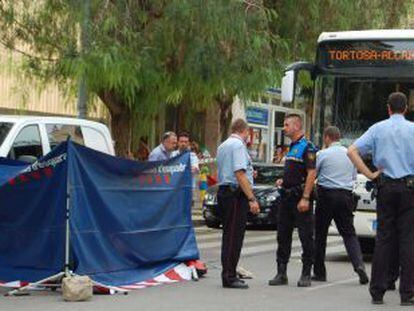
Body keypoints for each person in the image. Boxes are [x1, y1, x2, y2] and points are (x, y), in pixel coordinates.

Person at [348, 92, 414, 305]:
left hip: (385, 187)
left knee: (384, 239)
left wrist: (369, 174)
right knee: (408, 240)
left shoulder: (377, 129)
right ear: (405, 109)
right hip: (409, 189)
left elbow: (351, 151)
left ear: (388, 108)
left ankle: (378, 291)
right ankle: (407, 293)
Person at [313, 126, 368, 284]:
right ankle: (359, 266)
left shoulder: (322, 154)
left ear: (327, 138)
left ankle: (319, 272)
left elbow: (314, 174)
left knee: (320, 234)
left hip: (326, 196)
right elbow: (353, 177)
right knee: (349, 234)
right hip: (345, 196)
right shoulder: (350, 154)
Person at [269, 114, 317, 287]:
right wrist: (283, 181)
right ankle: (281, 273)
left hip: (300, 199)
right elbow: (294, 172)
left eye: (287, 124)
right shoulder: (292, 147)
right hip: (286, 198)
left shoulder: (307, 147)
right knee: (283, 236)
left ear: (297, 126)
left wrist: (305, 197)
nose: (284, 127)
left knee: (305, 236)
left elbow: (312, 173)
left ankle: (306, 273)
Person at [216, 118, 260, 289]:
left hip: (226, 192)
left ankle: (230, 272)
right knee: (234, 237)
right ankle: (229, 275)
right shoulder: (238, 145)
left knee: (229, 235)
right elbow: (239, 173)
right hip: (235, 194)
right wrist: (252, 198)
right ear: (245, 131)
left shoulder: (224, 145)